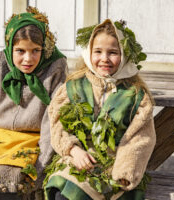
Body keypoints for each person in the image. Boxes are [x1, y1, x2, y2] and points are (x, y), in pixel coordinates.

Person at [0, 6, 67, 200]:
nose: (28, 58)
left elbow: (54, 116)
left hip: (32, 140)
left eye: (35, 51)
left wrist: (41, 164)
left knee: (8, 181)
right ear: (10, 47)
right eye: (20, 51)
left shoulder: (55, 68)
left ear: (45, 48)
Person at [44, 19, 156, 200]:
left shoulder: (135, 95)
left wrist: (124, 172)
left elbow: (140, 138)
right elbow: (57, 124)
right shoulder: (73, 87)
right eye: (98, 52)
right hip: (78, 159)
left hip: (117, 163)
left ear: (125, 56)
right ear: (89, 53)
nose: (104, 59)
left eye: (112, 53)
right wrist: (73, 150)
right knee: (64, 192)